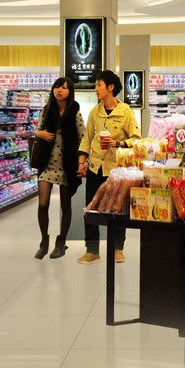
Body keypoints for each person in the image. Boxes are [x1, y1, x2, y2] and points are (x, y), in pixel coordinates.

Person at [77, 69, 142, 264]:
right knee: (91, 208)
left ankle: (117, 248)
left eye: (99, 85)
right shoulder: (95, 112)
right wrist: (82, 161)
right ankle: (92, 250)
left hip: (116, 169)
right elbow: (87, 139)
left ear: (110, 87)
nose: (96, 89)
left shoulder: (125, 112)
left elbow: (136, 139)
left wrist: (117, 143)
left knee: (118, 208)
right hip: (95, 167)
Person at [30, 77, 85, 259]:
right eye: (57, 87)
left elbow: (83, 137)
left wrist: (82, 161)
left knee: (65, 205)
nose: (59, 90)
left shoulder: (74, 112)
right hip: (47, 163)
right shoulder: (46, 110)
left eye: (64, 88)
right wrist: (40, 133)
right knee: (43, 204)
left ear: (70, 92)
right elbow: (37, 130)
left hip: (66, 164)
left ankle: (61, 242)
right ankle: (44, 241)